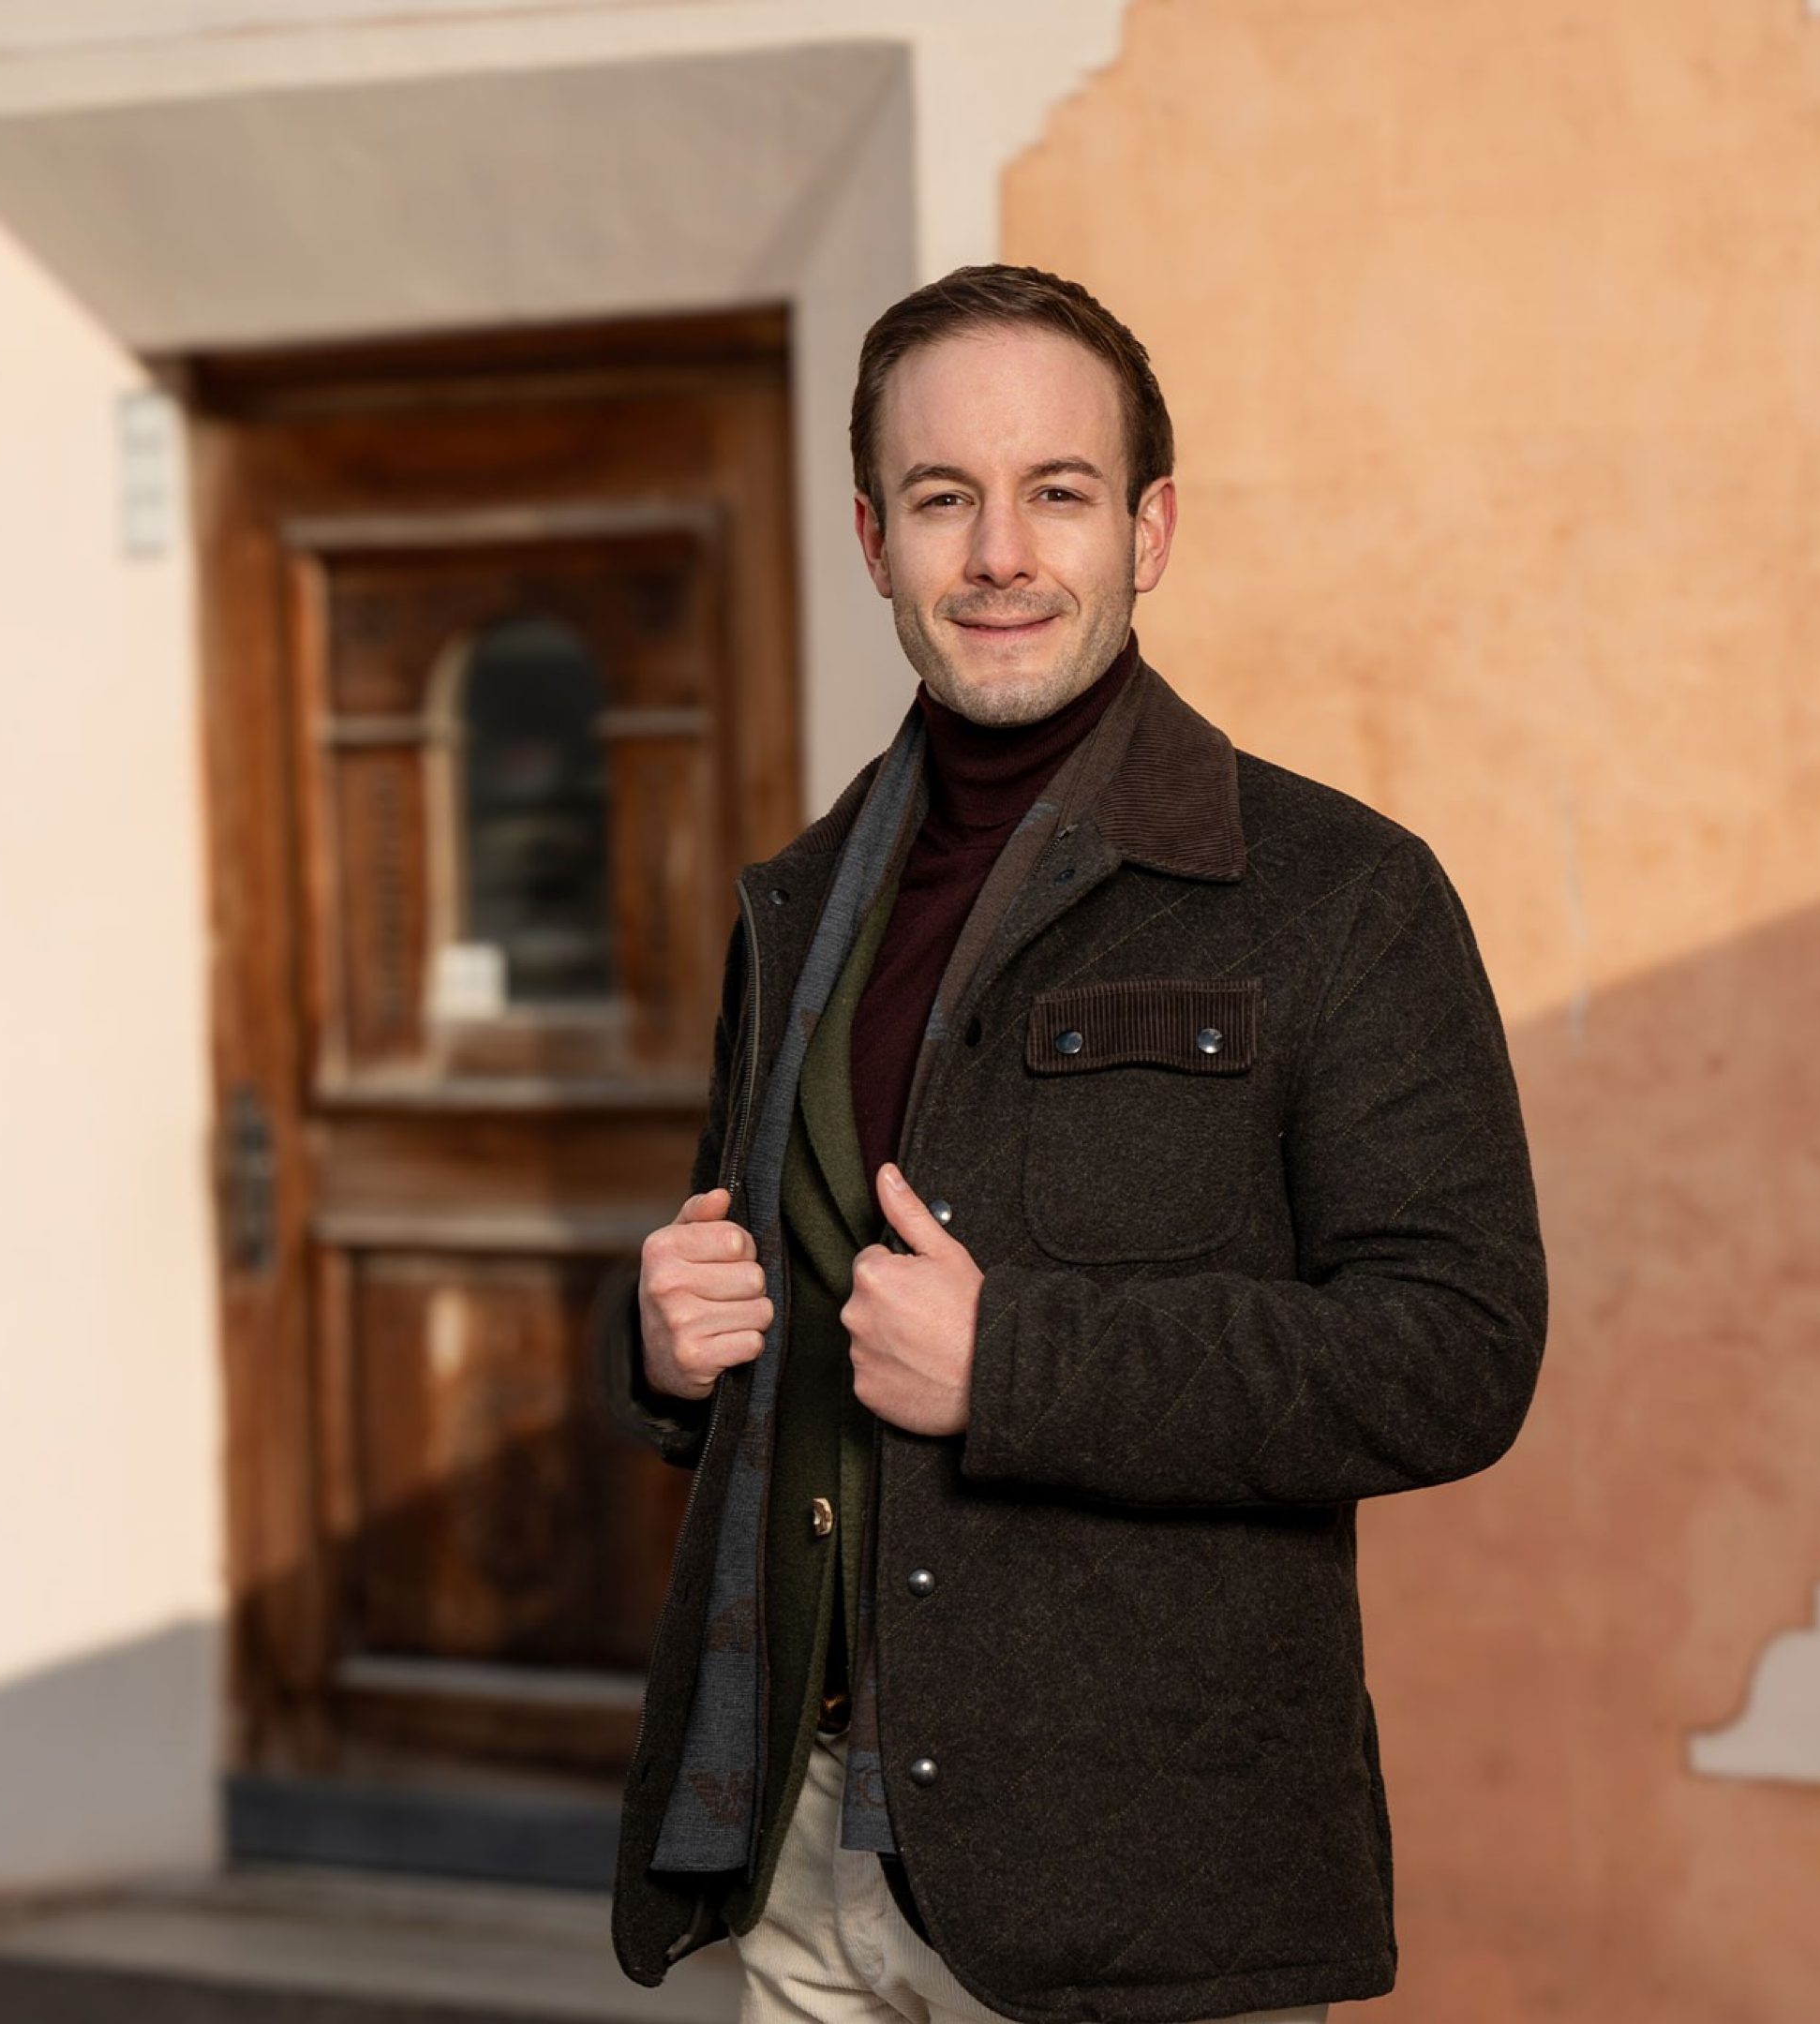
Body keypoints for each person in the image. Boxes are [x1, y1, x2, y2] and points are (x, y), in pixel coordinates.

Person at [599, 263, 1545, 2024]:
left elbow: (1457, 1355)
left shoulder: (1338, 895)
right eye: (947, 499)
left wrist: (1018, 1360)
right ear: (876, 539)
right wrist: (662, 1345)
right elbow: (777, 1275)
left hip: (1136, 1898)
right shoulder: (800, 904)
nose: (1002, 555)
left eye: (1059, 493)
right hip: (802, 1857)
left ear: (1151, 528)